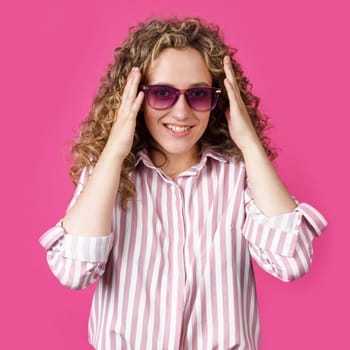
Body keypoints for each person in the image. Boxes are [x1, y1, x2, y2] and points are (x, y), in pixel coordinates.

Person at [39, 17, 327, 350]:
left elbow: (291, 262)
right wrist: (115, 151)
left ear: (219, 100)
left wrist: (249, 144)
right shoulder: (107, 176)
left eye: (198, 95)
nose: (181, 112)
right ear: (134, 97)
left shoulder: (240, 175)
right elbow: (74, 272)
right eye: (162, 93)